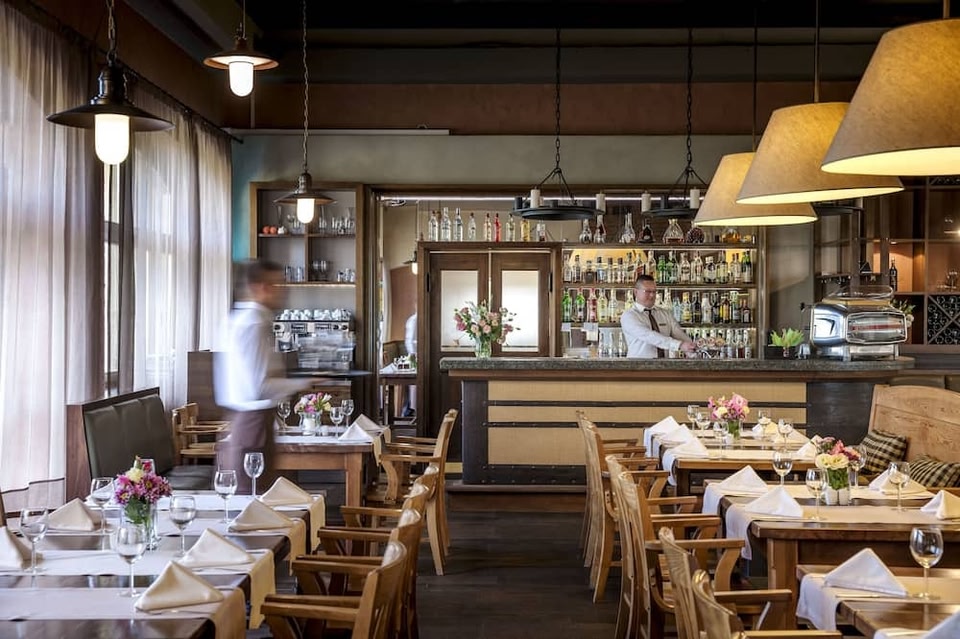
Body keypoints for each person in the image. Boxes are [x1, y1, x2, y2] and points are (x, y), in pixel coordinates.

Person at [214, 259, 305, 493]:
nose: (283, 291)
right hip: (253, 424)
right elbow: (258, 388)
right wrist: (305, 382)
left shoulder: (250, 320)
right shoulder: (253, 324)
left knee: (259, 499)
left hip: (254, 423)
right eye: (278, 285)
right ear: (261, 287)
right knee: (251, 501)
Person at [620, 274, 697, 359]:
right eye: (648, 291)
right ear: (636, 292)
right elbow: (649, 336)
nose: (652, 295)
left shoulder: (665, 314)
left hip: (663, 365)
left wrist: (693, 349)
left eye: (654, 291)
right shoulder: (629, 316)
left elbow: (680, 335)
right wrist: (679, 345)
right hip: (638, 365)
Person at [402, 312, 417, 417]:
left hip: (415, 354)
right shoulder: (414, 320)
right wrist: (413, 355)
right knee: (413, 384)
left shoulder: (413, 319)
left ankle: (411, 409)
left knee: (414, 386)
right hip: (414, 355)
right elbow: (410, 340)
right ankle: (410, 409)